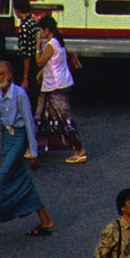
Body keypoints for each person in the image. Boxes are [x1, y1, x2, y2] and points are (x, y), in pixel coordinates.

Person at [0, 59, 53, 241]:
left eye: (0, 73)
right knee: (22, 179)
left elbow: (29, 123)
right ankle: (45, 219)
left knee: (0, 181)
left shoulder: (20, 94)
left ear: (9, 75)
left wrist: (34, 152)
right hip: (7, 139)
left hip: (19, 139)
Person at [34, 14, 86, 163]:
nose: (40, 33)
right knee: (42, 116)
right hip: (54, 84)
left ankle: (79, 149)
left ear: (47, 30)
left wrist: (38, 46)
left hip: (56, 86)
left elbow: (39, 61)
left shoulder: (50, 45)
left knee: (63, 119)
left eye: (41, 30)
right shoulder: (58, 42)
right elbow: (54, 63)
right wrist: (41, 73)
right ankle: (36, 146)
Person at [13, 0, 42, 100]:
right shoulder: (33, 22)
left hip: (27, 69)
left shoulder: (24, 27)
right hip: (36, 66)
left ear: (17, 10)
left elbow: (26, 55)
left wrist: (25, 78)